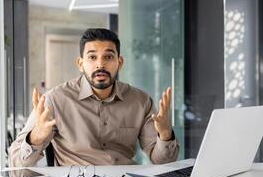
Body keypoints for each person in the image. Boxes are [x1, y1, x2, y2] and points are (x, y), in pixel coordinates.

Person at [9, 28, 179, 167]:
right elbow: (16, 168)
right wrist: (36, 138)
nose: (100, 64)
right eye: (92, 57)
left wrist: (164, 135)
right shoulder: (54, 101)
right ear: (80, 64)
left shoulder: (140, 101)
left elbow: (164, 162)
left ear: (119, 63)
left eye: (108, 57)